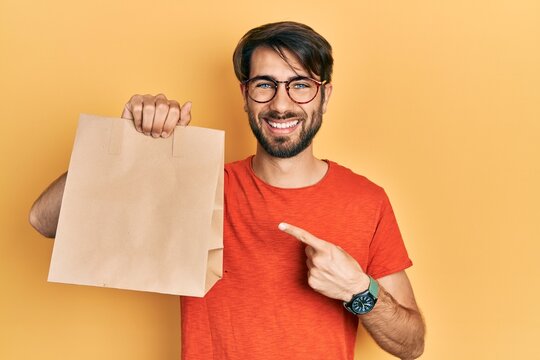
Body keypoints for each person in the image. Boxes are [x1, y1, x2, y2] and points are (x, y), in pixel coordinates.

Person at [29, 21, 425, 359]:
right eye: (265, 85)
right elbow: (43, 220)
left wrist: (359, 289)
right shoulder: (195, 185)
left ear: (325, 95)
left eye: (300, 85)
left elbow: (412, 344)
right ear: (244, 94)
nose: (281, 104)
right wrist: (128, 142)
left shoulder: (366, 200)